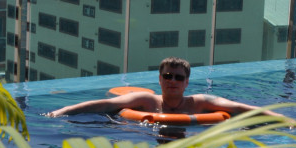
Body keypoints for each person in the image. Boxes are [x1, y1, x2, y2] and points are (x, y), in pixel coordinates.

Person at [46, 57, 282, 118]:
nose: (173, 81)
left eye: (179, 78)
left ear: (187, 82)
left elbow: (239, 107)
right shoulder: (146, 101)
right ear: (159, 79)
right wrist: (62, 111)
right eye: (168, 76)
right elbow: (105, 104)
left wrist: (281, 118)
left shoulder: (199, 103)